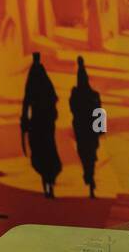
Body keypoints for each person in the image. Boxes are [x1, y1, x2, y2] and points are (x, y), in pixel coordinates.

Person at [20, 51, 61, 198]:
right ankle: (49, 182)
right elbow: (53, 97)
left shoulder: (31, 78)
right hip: (45, 123)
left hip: (38, 124)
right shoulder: (44, 78)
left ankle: (47, 184)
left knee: (41, 154)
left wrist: (24, 123)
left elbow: (26, 102)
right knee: (48, 152)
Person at [69, 55, 102, 197]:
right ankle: (90, 176)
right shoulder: (93, 95)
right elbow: (100, 113)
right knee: (90, 156)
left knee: (84, 155)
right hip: (90, 131)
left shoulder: (75, 94)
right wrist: (100, 129)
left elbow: (72, 108)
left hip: (82, 131)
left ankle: (88, 176)